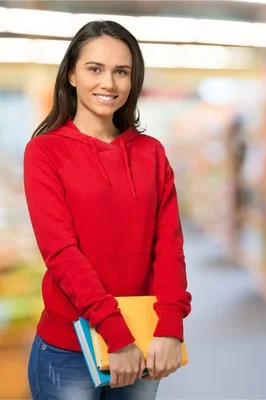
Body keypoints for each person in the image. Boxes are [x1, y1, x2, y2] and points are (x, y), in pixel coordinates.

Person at [23, 20, 192, 400]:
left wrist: (169, 326)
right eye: (95, 69)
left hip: (147, 338)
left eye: (121, 71)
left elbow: (169, 246)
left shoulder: (152, 153)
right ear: (71, 74)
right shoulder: (45, 152)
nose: (109, 84)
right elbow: (61, 253)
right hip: (71, 347)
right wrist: (115, 334)